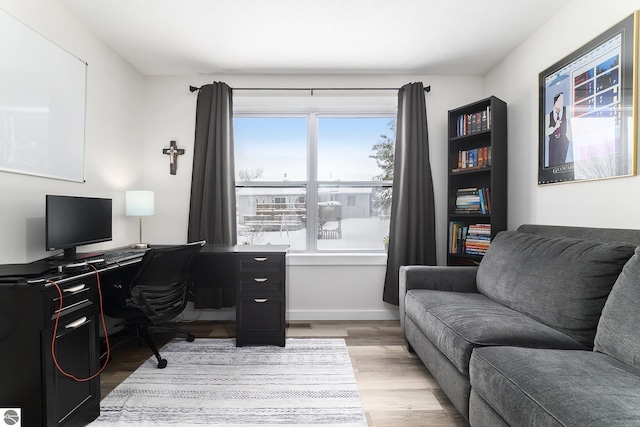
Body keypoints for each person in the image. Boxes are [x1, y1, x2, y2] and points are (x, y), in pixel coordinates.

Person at [546, 92, 572, 166]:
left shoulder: (566, 110)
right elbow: (545, 132)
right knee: (553, 165)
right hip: (553, 144)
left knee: (564, 164)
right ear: (555, 102)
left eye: (562, 100)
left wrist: (569, 138)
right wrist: (555, 128)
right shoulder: (548, 115)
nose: (561, 103)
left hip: (564, 142)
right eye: (560, 101)